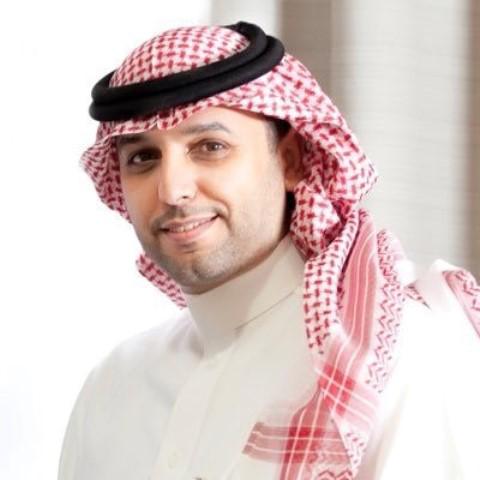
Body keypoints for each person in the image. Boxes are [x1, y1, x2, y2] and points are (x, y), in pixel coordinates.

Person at [58, 21, 480, 480]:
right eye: (143, 158)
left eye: (210, 147)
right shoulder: (113, 387)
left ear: (291, 161)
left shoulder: (403, 356)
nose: (173, 189)